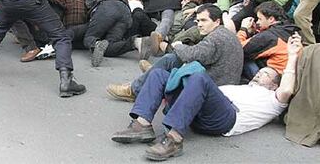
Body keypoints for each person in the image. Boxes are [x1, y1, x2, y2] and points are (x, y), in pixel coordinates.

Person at [110, 32, 302, 161]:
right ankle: (142, 125)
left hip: (226, 119)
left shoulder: (273, 99)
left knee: (199, 78)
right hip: (200, 112)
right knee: (159, 74)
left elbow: (286, 90)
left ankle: (173, 140)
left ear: (274, 84)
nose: (260, 74)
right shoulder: (245, 86)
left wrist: (292, 56)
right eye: (260, 72)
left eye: (266, 74)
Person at [106, 4, 243, 102]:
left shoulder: (215, 39)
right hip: (223, 80)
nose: (199, 24)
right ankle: (154, 72)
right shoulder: (224, 34)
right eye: (198, 21)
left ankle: (134, 89)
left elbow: (190, 55)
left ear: (217, 21)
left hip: (215, 86)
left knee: (172, 58)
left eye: (203, 20)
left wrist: (179, 46)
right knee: (171, 59)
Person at [238, 1, 299, 79]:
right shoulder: (289, 29)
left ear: (271, 19)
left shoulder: (268, 36)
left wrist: (243, 29)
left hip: (274, 78)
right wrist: (256, 31)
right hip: (290, 75)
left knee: (243, 58)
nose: (257, 22)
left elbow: (238, 49)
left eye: (260, 19)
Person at [83, 0, 133, 67]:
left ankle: (96, 44)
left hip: (108, 7)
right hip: (126, 12)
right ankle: (135, 43)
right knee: (110, 44)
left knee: (90, 38)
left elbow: (88, 2)